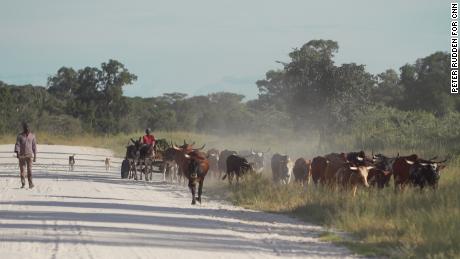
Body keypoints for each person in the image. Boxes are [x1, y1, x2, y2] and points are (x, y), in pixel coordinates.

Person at [14, 122, 37, 189]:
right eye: (25, 127)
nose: (27, 128)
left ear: (29, 128)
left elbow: (34, 146)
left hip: (29, 156)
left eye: (28, 127)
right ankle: (23, 183)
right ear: (23, 128)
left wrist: (35, 156)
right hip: (22, 156)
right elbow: (17, 144)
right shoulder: (20, 136)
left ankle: (30, 183)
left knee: (29, 170)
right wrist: (17, 153)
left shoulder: (32, 135)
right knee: (22, 170)